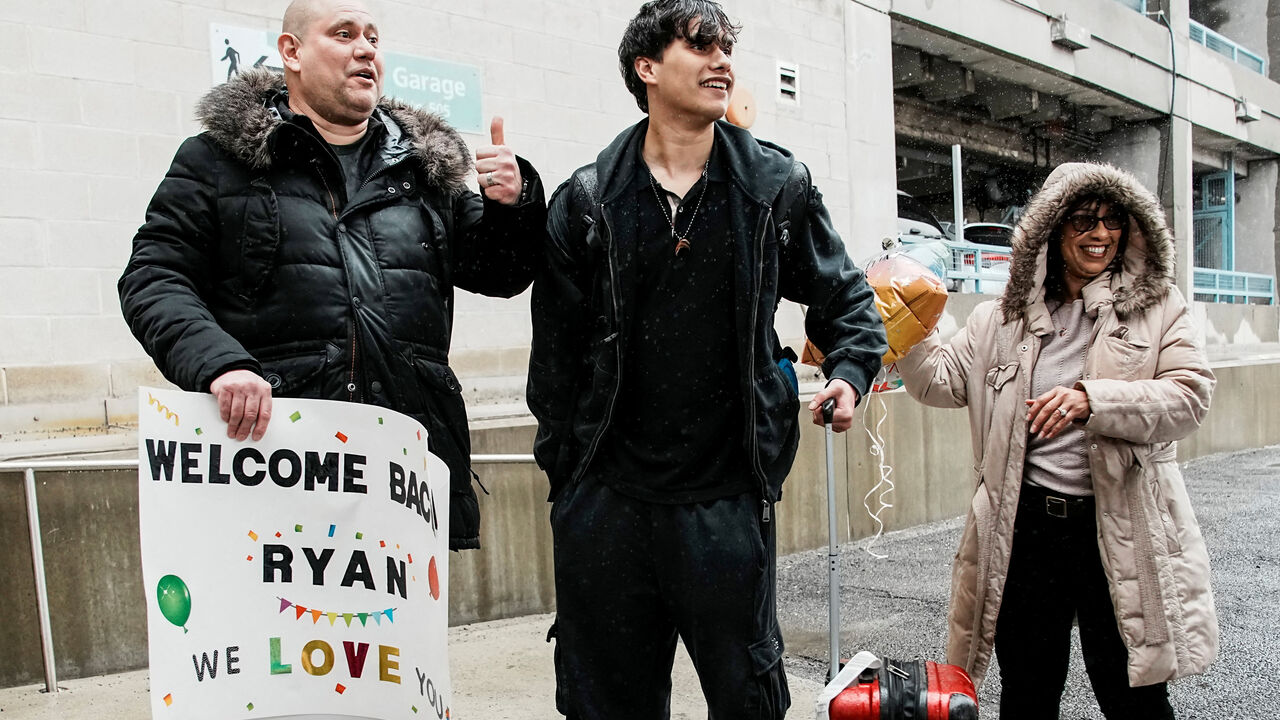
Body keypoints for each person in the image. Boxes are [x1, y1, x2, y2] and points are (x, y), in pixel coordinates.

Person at [526, 1, 886, 716]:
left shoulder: (775, 188)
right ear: (647, 67)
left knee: (748, 699)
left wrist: (848, 374)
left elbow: (848, 302)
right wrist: (569, 484)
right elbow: (555, 361)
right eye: (700, 47)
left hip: (725, 501)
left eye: (727, 48)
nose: (723, 62)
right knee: (605, 703)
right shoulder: (588, 200)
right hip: (608, 505)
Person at [118, 0, 546, 551]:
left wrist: (511, 205)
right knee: (279, 636)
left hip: (402, 476)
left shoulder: (424, 170)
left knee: (391, 638)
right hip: (276, 465)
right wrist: (219, 364)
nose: (365, 49)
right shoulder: (216, 161)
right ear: (291, 52)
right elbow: (153, 276)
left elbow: (501, 272)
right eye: (343, 34)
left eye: (372, 37)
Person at [896, 162, 1218, 718]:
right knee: (1028, 688)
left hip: (1116, 524)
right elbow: (940, 383)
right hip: (1028, 530)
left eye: (1112, 220)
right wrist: (908, 323)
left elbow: (1190, 396)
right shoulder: (1002, 319)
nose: (1100, 234)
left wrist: (1094, 401)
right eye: (1083, 221)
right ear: (1050, 229)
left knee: (1133, 694)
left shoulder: (1159, 306)